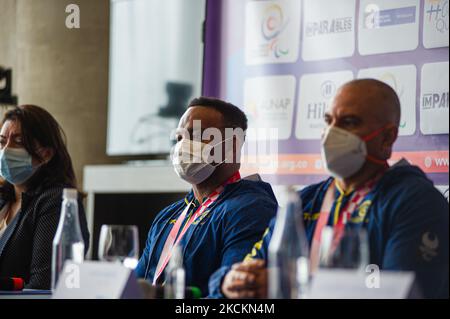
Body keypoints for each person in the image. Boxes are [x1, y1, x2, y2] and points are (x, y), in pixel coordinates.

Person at [212, 79, 449, 299]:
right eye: (328, 121)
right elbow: (250, 266)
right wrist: (228, 281)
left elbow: (399, 291)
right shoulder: (305, 200)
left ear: (387, 138)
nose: (332, 133)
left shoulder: (417, 202)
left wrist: (291, 285)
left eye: (349, 122)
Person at [135, 97, 278, 297]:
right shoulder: (167, 216)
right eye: (180, 138)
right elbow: (134, 286)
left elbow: (236, 296)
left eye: (197, 135)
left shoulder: (251, 209)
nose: (184, 145)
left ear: (232, 146)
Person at [0, 105, 90, 289]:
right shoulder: (3, 197)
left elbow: (43, 284)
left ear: (46, 154)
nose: (6, 150)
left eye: (18, 141)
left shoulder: (55, 201)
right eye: (2, 142)